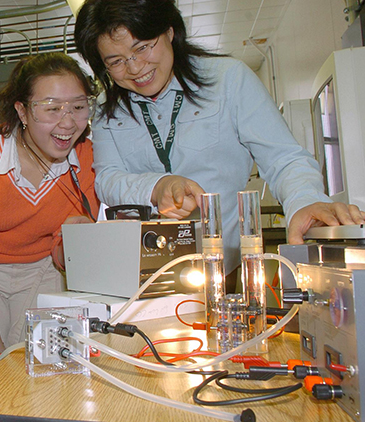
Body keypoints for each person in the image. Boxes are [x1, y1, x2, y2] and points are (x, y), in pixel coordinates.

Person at [73, 0, 365, 284]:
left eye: (142, 47)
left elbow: (283, 159)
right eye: (117, 61)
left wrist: (306, 201)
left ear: (169, 31)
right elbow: (107, 179)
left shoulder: (228, 80)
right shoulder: (107, 110)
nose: (135, 68)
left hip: (225, 268)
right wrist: (156, 186)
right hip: (146, 275)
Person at [0, 52, 99, 380]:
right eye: (52, 107)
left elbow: (61, 254)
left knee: (45, 376)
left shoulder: (85, 156)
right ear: (22, 111)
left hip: (42, 270)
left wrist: (76, 243)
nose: (68, 122)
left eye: (78, 106)